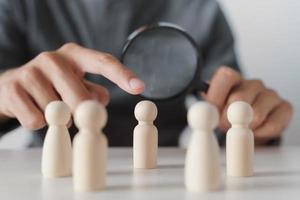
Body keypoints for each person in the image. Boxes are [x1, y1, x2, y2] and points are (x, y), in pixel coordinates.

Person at [0, 0, 293, 146]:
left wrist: (253, 123)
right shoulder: (19, 5)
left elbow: (228, 118)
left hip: (166, 176)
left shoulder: (200, 8)